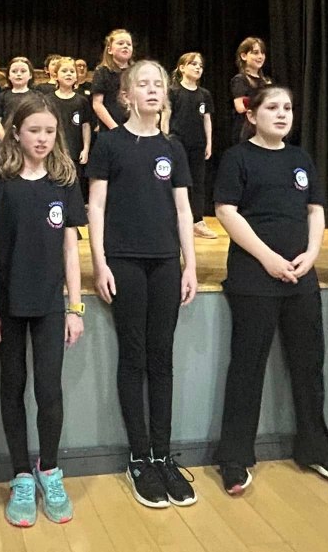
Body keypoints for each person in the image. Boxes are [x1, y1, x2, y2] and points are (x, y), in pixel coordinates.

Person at [213, 86, 328, 495]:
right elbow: (226, 211)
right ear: (253, 115)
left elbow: (315, 209)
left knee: (309, 366)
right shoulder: (237, 158)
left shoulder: (300, 158)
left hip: (301, 278)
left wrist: (312, 253)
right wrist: (267, 258)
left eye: (288, 107)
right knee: (247, 368)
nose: (282, 114)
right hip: (254, 278)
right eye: (272, 107)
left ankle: (315, 448)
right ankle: (235, 457)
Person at [87, 60, 198, 509]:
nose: (152, 90)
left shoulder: (173, 149)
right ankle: (138, 459)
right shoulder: (110, 144)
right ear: (126, 95)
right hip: (125, 262)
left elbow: (184, 212)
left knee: (162, 359)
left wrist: (189, 265)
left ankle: (161, 454)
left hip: (166, 263)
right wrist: (99, 264)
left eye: (158, 85)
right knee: (133, 358)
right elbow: (95, 208)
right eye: (142, 85)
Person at [0, 92, 86, 527]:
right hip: (6, 303)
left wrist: (75, 307)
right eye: (34, 130)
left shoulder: (64, 179)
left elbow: (70, 248)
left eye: (49, 131)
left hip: (49, 304)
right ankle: (21, 474)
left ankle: (50, 470)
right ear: (15, 132)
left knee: (49, 390)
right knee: (12, 386)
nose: (42, 138)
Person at [167, 52, 216, 239]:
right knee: (178, 182)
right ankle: (175, 220)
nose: (197, 68)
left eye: (200, 65)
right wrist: (165, 140)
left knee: (198, 182)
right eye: (193, 64)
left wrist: (209, 142)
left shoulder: (204, 94)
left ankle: (197, 221)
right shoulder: (173, 91)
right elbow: (167, 116)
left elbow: (207, 120)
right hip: (177, 142)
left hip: (198, 143)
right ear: (182, 68)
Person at [46, 57, 91, 203]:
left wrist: (85, 149)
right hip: (53, 151)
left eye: (72, 71)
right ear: (56, 75)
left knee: (73, 187)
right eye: (64, 71)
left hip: (75, 152)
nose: (69, 74)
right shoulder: (48, 99)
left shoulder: (81, 100)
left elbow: (85, 125)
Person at [230, 37, 272, 142]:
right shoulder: (240, 80)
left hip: (264, 129)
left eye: (262, 53)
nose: (260, 56)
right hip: (247, 131)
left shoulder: (266, 81)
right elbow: (240, 107)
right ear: (244, 56)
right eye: (255, 53)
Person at [91, 29, 134, 132]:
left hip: (134, 127)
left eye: (129, 44)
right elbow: (97, 104)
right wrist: (115, 128)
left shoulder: (136, 72)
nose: (125, 46)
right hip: (111, 128)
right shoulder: (102, 71)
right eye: (120, 43)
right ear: (110, 50)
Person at [0, 56, 34, 141]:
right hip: (6, 143)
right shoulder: (2, 96)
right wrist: (6, 140)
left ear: (30, 75)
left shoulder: (37, 96)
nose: (18, 74)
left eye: (23, 71)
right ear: (9, 76)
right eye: (14, 71)